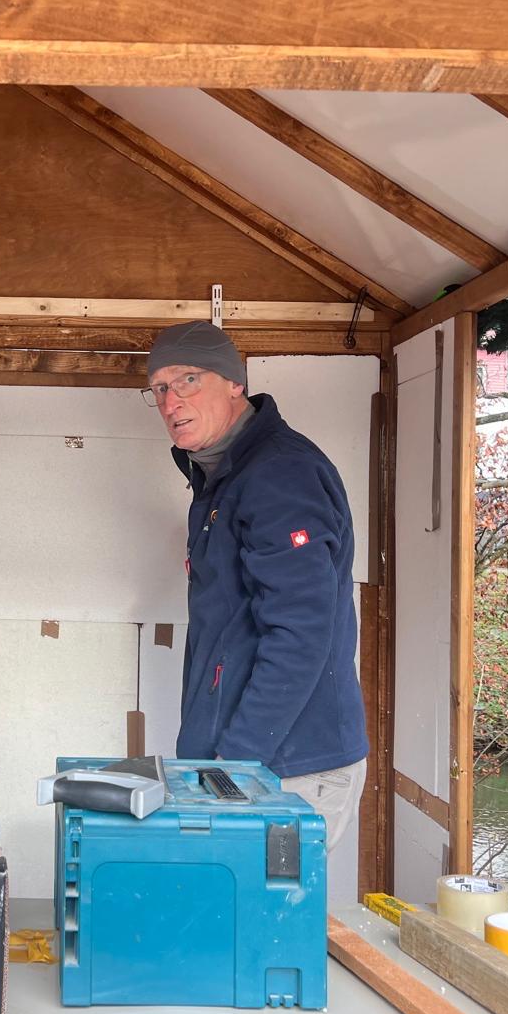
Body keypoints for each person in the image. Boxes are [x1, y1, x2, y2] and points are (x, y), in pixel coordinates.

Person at [145, 321, 368, 856]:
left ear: (234, 383)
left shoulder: (279, 475)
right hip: (242, 762)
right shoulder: (222, 475)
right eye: (158, 388)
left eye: (189, 380)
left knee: (260, 931)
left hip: (286, 769)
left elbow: (301, 633)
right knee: (225, 923)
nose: (171, 400)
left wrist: (236, 766)